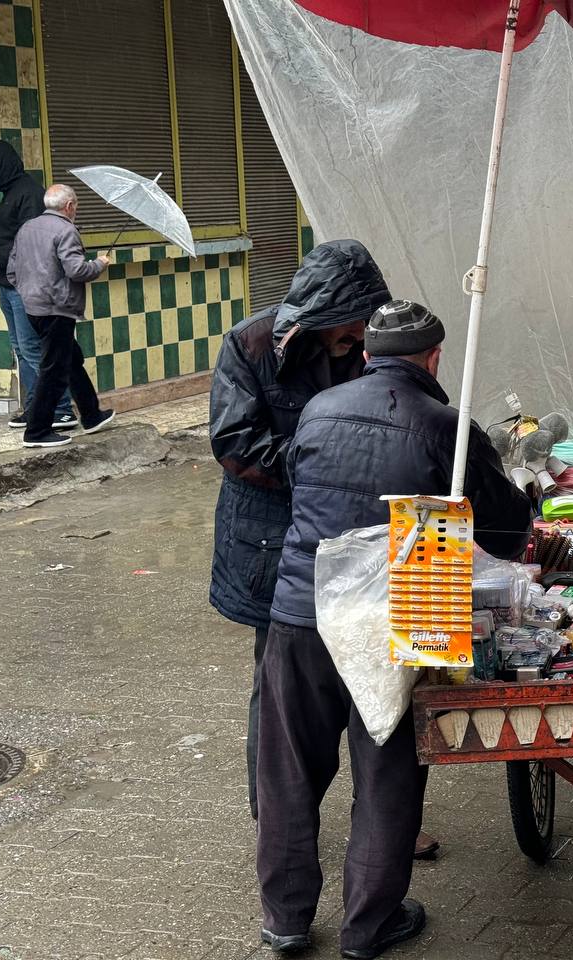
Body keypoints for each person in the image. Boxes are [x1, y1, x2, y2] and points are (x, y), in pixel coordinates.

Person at [256, 300, 532, 958]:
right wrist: (522, 494)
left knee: (288, 774)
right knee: (386, 773)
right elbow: (504, 530)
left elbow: (298, 485)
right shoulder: (444, 425)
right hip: (402, 613)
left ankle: (285, 921)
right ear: (433, 358)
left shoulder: (319, 408)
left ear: (369, 353)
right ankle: (368, 926)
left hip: (302, 610)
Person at [208, 238, 393, 822]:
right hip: (273, 541)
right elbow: (234, 442)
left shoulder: (368, 346)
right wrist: (322, 461)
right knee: (279, 685)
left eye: (365, 323)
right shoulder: (250, 344)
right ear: (321, 310)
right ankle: (276, 818)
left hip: (355, 537)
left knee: (374, 678)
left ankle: (383, 819)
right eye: (351, 323)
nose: (360, 335)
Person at [0, 140, 75, 431]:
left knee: (35, 350)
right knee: (22, 348)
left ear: (2, 163)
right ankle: (35, 409)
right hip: (9, 282)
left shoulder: (28, 194)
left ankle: (62, 409)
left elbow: (28, 241)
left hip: (26, 286)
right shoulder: (11, 193)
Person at [7, 185, 116, 448]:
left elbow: (12, 270)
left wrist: (28, 292)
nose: (75, 211)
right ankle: (37, 431)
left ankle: (91, 414)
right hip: (57, 308)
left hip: (33, 307)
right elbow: (77, 270)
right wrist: (100, 263)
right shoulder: (66, 230)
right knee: (54, 370)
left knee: (70, 358)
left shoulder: (27, 227)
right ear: (69, 206)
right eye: (75, 206)